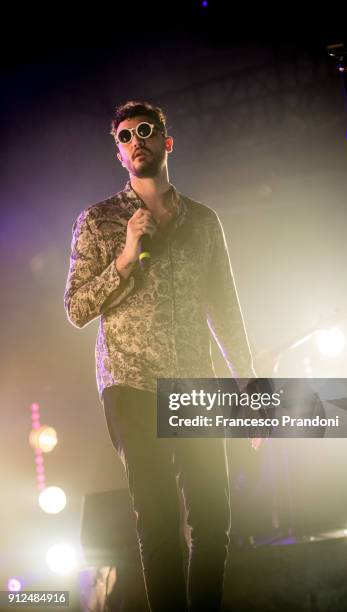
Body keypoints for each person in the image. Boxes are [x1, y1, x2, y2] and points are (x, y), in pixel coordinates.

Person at [64, 100, 257, 611]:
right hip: (130, 381)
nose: (136, 141)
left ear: (166, 142)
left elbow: (226, 308)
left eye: (146, 131)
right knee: (157, 520)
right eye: (125, 137)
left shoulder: (204, 221)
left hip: (195, 382)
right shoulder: (99, 221)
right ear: (119, 155)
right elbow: (76, 308)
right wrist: (126, 256)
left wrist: (249, 384)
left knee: (214, 518)